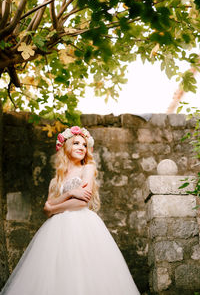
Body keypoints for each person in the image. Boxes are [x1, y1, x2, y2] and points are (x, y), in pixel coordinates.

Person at [1, 126, 140, 295]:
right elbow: (46, 209)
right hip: (56, 230)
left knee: (82, 269)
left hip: (83, 225)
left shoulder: (87, 169)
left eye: (84, 144)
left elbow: (81, 203)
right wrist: (71, 193)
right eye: (76, 143)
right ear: (66, 147)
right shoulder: (56, 179)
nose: (81, 147)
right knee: (56, 272)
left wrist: (54, 207)